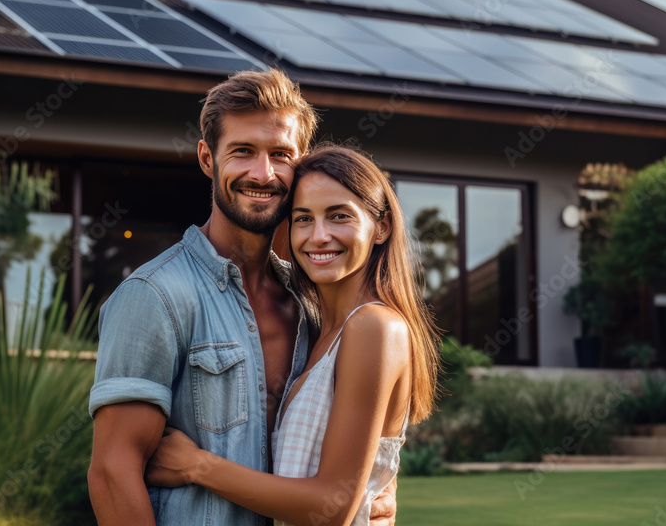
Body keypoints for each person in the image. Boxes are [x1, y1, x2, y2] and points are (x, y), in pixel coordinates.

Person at [87, 70, 398, 525]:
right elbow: (113, 472)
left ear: (301, 163)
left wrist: (376, 497)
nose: (262, 172)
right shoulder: (155, 296)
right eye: (243, 151)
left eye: (280, 154)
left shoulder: (314, 304)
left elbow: (354, 469)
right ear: (208, 159)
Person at [145, 145, 442, 525]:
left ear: (381, 227)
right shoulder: (319, 329)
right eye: (303, 219)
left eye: (339, 216)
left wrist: (196, 466)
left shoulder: (374, 327)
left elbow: (330, 507)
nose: (319, 236)